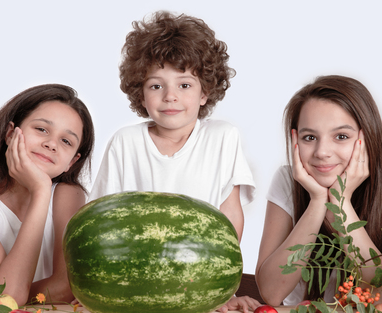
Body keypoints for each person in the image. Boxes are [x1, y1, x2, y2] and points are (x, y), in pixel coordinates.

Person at [88, 11, 258, 312]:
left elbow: (230, 215)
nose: (170, 97)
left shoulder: (223, 137)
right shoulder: (125, 142)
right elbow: (102, 220)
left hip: (199, 285)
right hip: (134, 286)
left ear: (205, 92)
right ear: (140, 94)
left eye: (184, 85)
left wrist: (221, 291)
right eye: (156, 86)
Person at [255, 75, 382, 306]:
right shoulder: (287, 180)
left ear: (367, 137)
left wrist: (340, 205)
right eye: (309, 137)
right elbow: (272, 293)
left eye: (341, 136)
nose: (322, 151)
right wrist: (318, 201)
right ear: (295, 140)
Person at [0, 84, 94, 305]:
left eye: (66, 141)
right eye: (42, 129)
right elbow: (10, 295)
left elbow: (67, 288)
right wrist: (40, 191)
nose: (51, 144)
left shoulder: (69, 196)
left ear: (72, 162)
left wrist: (41, 190)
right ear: (10, 133)